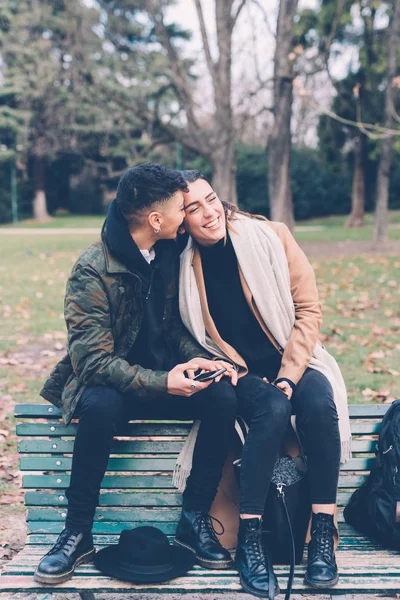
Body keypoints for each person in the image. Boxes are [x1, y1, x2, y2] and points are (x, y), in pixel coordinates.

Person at [34, 164, 237, 585]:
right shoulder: (92, 268)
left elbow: (173, 327)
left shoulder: (165, 252)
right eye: (182, 209)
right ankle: (77, 533)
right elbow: (92, 364)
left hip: (165, 377)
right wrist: (164, 381)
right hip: (116, 386)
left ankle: (194, 519)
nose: (188, 216)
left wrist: (200, 360)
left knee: (221, 395)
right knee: (98, 402)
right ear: (156, 220)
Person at [176, 170, 352, 598]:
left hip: (292, 359)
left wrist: (290, 376)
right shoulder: (180, 264)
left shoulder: (271, 236)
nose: (208, 212)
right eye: (192, 208)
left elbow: (308, 309)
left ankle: (321, 538)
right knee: (271, 407)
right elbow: (181, 331)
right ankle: (250, 540)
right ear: (181, 221)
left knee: (319, 400)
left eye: (210, 200)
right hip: (237, 371)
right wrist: (220, 366)